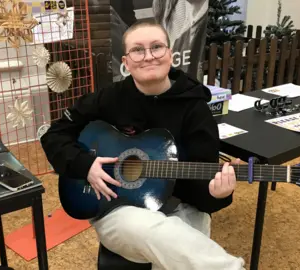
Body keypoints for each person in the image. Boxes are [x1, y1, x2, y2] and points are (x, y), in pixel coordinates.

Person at [41, 20, 245, 270]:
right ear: (126, 62)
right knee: (155, 232)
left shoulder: (195, 109)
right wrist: (84, 165)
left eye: (157, 47)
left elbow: (203, 192)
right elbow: (54, 134)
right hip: (117, 207)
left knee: (183, 234)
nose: (148, 56)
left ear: (170, 55)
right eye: (138, 50)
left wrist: (217, 194)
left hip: (181, 204)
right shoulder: (109, 98)